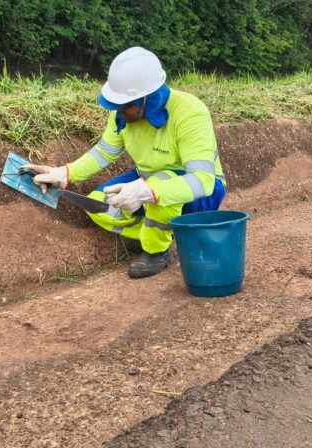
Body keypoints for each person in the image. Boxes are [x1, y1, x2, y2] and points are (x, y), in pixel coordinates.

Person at [23, 46, 226, 279]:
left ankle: (157, 251)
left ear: (148, 99)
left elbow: (203, 182)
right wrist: (65, 173)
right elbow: (104, 153)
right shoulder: (123, 115)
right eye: (115, 106)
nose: (118, 112)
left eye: (124, 106)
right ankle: (168, 231)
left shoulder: (190, 113)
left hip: (201, 195)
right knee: (98, 203)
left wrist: (147, 191)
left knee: (162, 186)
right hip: (148, 182)